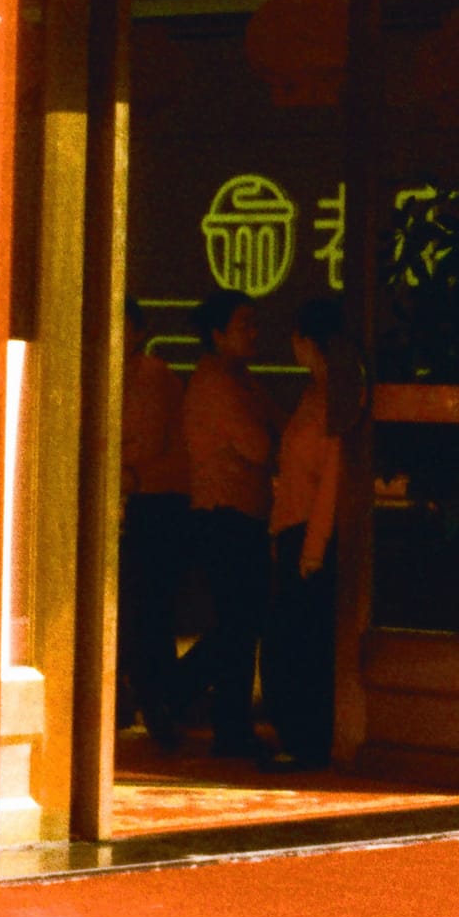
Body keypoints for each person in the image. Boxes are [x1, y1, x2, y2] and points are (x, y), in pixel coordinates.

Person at [259, 295, 364, 772]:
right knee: (289, 640)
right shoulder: (314, 393)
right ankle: (296, 738)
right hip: (292, 528)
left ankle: (306, 741)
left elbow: (332, 481)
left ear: (307, 340)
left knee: (299, 643)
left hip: (309, 535)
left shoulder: (334, 397)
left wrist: (313, 548)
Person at [182, 289, 275, 759]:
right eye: (244, 325)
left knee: (241, 623)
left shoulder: (245, 381)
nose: (255, 333)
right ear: (218, 335)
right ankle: (194, 701)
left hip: (244, 515)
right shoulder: (217, 386)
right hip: (225, 517)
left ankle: (214, 714)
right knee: (238, 624)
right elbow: (261, 446)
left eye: (255, 323)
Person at [117, 298, 192, 751]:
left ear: (140, 331)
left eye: (123, 325)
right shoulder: (131, 373)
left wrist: (115, 463)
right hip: (143, 500)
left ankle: (157, 704)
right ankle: (148, 703)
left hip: (155, 503)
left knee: (146, 610)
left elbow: (143, 443)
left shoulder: (149, 375)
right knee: (144, 610)